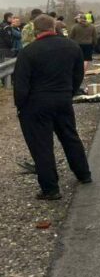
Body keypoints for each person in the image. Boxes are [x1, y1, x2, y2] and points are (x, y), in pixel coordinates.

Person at [12, 14, 92, 200]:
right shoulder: (72, 47)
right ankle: (84, 174)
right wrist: (69, 93)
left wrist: (20, 106)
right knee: (70, 136)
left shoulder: (28, 52)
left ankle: (51, 189)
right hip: (63, 99)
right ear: (55, 27)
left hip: (36, 104)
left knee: (42, 146)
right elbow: (78, 74)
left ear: (35, 30)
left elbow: (21, 84)